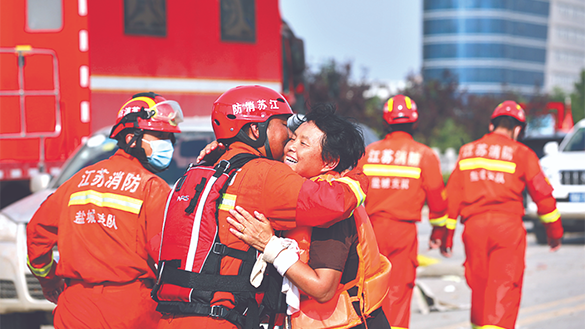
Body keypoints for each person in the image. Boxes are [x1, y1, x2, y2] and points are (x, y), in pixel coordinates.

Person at [155, 85, 367, 329]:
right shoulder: (266, 175)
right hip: (219, 318)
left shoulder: (198, 172)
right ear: (256, 129)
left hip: (169, 315)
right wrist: (358, 175)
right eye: (283, 125)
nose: (288, 137)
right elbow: (334, 202)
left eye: (300, 140)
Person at [26, 92, 183, 328]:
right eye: (160, 135)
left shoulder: (78, 180)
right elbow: (171, 257)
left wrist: (49, 281)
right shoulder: (152, 188)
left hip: (75, 308)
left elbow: (36, 234)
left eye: (170, 138)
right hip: (132, 311)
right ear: (131, 138)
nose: (168, 145)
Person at [227, 103, 391, 329]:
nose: (291, 147)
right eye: (292, 138)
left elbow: (322, 289)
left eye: (303, 144)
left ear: (330, 162)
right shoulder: (297, 191)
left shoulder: (330, 210)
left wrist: (270, 246)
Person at [442, 100, 563, 329]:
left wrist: (447, 233)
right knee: (504, 290)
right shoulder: (522, 153)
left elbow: (453, 195)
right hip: (507, 230)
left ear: (491, 125)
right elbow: (543, 195)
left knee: (480, 289)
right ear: (518, 129)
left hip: (474, 229)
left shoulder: (467, 151)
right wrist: (554, 232)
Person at [354, 94, 447, 329]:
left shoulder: (369, 153)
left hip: (369, 230)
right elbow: (437, 199)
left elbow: (350, 190)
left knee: (368, 289)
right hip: (402, 232)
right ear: (414, 122)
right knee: (398, 291)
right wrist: (438, 232)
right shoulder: (423, 155)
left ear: (385, 122)